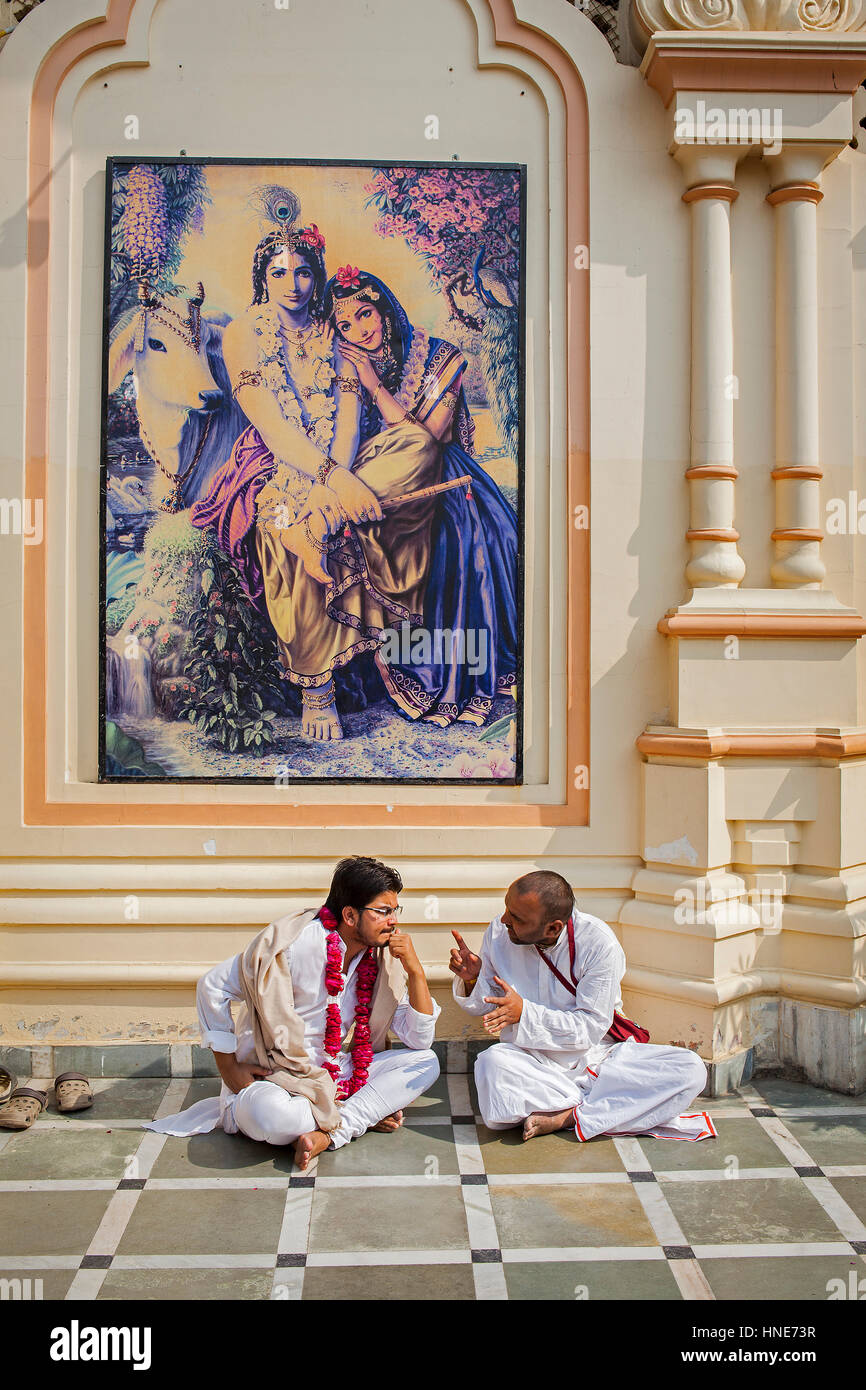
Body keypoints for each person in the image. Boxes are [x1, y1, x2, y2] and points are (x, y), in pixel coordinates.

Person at [190, 223, 382, 741]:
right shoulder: (243, 334)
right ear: (263, 278)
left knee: (354, 518)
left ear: (316, 276)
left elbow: (347, 415)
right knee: (282, 533)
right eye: (279, 272)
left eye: (302, 272)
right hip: (270, 462)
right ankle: (315, 691)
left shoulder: (335, 330)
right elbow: (270, 423)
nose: (292, 283)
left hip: (340, 458)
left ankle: (380, 668)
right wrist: (324, 477)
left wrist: (336, 479)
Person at [147, 856, 440, 1170]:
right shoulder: (295, 944)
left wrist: (416, 972)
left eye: (395, 910)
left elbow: (420, 1041)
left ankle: (331, 1133)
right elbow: (212, 986)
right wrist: (228, 1067)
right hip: (274, 1076)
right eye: (383, 911)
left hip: (332, 1075)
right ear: (350, 915)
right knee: (275, 1118)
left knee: (426, 1064)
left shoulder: (383, 960)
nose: (393, 920)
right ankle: (358, 1114)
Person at [450, 871, 716, 1143]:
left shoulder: (599, 943)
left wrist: (525, 1013)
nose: (504, 919)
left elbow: (590, 1028)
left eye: (516, 917)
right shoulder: (499, 932)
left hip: (600, 1059)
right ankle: (609, 1108)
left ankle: (565, 1117)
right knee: (492, 1068)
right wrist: (472, 978)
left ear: (553, 928)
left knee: (691, 1069)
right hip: (533, 1062)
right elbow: (489, 1005)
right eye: (506, 908)